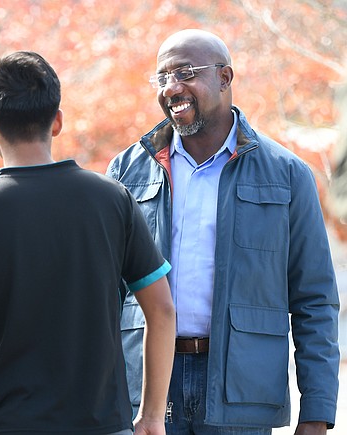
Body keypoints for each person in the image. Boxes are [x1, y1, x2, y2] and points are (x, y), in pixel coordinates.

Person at [0, 50, 176, 435]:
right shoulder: (113, 199)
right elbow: (162, 312)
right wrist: (152, 415)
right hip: (104, 424)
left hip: (8, 423)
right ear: (57, 122)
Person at [106, 29, 340, 434]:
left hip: (243, 393)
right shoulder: (125, 172)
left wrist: (317, 412)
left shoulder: (288, 176)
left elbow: (315, 302)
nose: (171, 88)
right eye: (162, 78)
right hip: (145, 391)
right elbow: (104, 294)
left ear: (225, 78)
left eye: (185, 73)